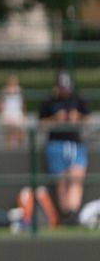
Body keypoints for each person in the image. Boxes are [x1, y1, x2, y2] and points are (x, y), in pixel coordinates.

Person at [38, 70, 90, 225]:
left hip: (75, 143)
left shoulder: (77, 99)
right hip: (56, 144)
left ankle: (73, 214)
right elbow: (41, 123)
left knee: (75, 177)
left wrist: (76, 118)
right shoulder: (49, 101)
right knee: (61, 182)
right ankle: (67, 215)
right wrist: (56, 119)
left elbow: (87, 119)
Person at [0, 74, 26, 148]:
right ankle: (9, 148)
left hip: (17, 113)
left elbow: (23, 103)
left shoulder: (19, 90)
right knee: (9, 130)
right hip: (7, 112)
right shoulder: (4, 90)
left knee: (21, 131)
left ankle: (19, 148)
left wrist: (23, 113)